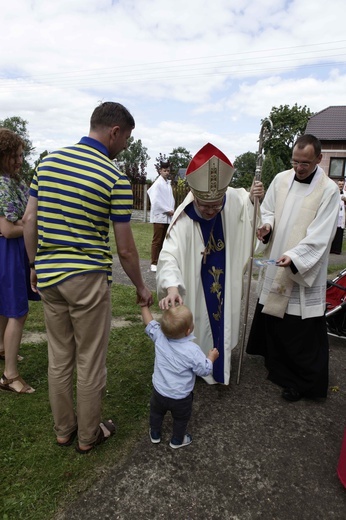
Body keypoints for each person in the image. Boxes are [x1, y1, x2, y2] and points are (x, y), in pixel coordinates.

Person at [23, 102, 153, 453]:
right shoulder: (113, 177)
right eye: (126, 138)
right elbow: (126, 249)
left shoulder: (46, 164)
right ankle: (88, 435)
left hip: (49, 277)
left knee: (59, 356)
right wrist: (141, 287)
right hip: (87, 278)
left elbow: (30, 219)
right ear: (114, 131)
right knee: (90, 360)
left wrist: (34, 264)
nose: (126, 145)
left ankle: (64, 430)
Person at [157, 142, 264, 385]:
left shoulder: (231, 199)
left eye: (217, 205)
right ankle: (197, 364)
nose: (211, 210)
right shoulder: (183, 219)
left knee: (221, 321)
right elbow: (169, 256)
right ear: (194, 196)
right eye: (205, 205)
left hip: (223, 281)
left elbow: (246, 212)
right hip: (197, 286)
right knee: (199, 323)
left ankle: (219, 364)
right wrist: (172, 286)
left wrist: (253, 198)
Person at [246, 134, 340, 402]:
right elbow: (269, 211)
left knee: (298, 328)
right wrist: (265, 227)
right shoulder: (281, 179)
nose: (298, 168)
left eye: (305, 164)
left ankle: (299, 381)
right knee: (275, 319)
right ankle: (275, 366)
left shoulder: (329, 190)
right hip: (277, 257)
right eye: (295, 161)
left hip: (299, 266)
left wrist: (296, 257)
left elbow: (322, 233)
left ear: (319, 160)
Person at [141, 303, 219, 448]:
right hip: (181, 397)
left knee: (156, 414)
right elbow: (204, 370)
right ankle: (177, 440)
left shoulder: (159, 336)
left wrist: (144, 306)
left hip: (159, 392)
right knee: (180, 419)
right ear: (189, 330)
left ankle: (155, 434)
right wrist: (211, 358)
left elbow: (149, 323)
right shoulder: (193, 350)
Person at [0, 128, 40, 394]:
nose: (20, 160)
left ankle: (3, 348)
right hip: (8, 251)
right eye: (14, 156)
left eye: (21, 155)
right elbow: (8, 229)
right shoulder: (2, 184)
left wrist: (24, 223)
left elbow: (25, 219)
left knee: (5, 307)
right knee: (17, 311)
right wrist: (26, 224)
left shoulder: (14, 181)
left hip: (15, 250)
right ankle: (10, 376)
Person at [147, 161, 175, 272]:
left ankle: (161, 261)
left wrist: (171, 209)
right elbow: (156, 200)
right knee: (157, 240)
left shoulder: (168, 184)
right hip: (160, 216)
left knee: (164, 240)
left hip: (167, 216)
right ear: (160, 171)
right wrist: (167, 210)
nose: (167, 172)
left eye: (168, 170)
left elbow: (170, 199)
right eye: (164, 170)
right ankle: (153, 262)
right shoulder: (157, 184)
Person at [330, 179, 346, 254]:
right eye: (339, 184)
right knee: (332, 231)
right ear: (337, 184)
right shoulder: (334, 192)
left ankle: (337, 250)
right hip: (334, 214)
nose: (341, 186)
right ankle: (331, 249)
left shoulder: (345, 193)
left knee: (339, 232)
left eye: (342, 184)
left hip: (342, 215)